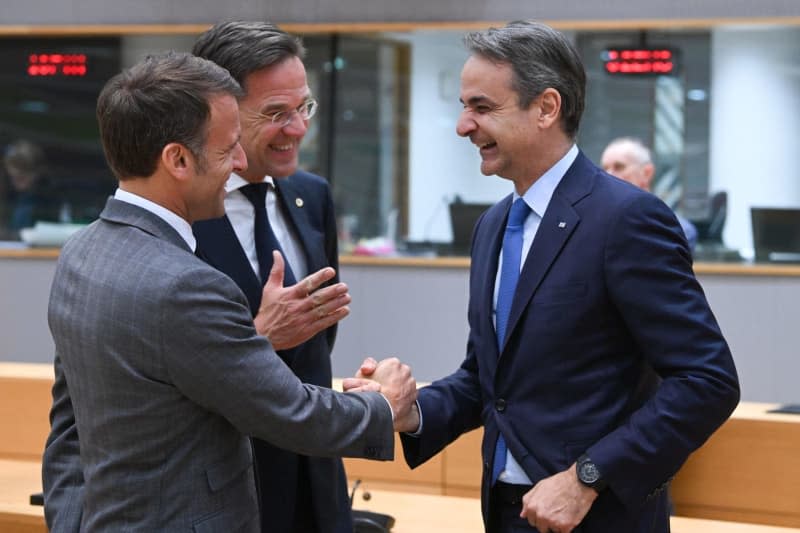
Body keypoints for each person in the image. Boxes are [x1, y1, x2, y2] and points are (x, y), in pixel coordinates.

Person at [353, 20, 739, 533]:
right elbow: (488, 381)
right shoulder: (494, 226)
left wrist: (587, 477)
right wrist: (408, 411)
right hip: (507, 512)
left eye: (481, 107)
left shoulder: (626, 219)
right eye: (464, 106)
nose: (462, 126)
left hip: (597, 516)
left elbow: (707, 381)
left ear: (547, 108)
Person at [42, 51, 417, 532]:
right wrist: (387, 404)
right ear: (177, 159)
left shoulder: (81, 253)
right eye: (227, 150)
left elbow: (69, 433)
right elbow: (292, 412)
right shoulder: (186, 284)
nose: (240, 163)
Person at [190, 21, 354, 533]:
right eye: (276, 114)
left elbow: (318, 341)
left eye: (303, 107)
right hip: (228, 487)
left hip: (317, 479)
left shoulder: (312, 196)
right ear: (219, 112)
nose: (298, 129)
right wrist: (259, 337)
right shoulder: (179, 215)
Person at [600, 136, 698, 251]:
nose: (608, 175)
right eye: (605, 168)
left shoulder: (678, 230)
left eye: (619, 167)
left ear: (647, 173)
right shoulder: (594, 222)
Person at [2, 139, 57, 236]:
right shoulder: (12, 197)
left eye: (21, 178)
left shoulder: (45, 201)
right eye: (11, 177)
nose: (15, 183)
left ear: (37, 173)